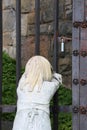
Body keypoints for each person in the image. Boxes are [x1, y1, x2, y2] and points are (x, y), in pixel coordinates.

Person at [12, 55, 62, 130]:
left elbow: (24, 75)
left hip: (21, 123)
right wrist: (51, 72)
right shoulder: (48, 87)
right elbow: (58, 79)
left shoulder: (22, 86)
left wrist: (31, 67)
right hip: (41, 122)